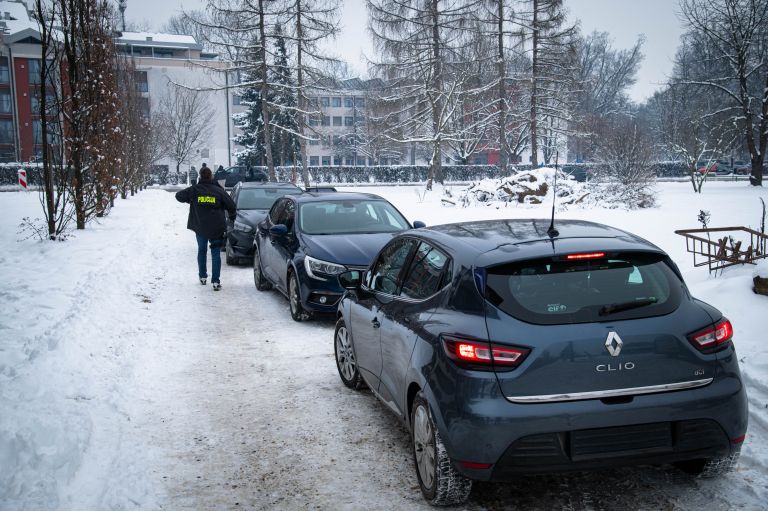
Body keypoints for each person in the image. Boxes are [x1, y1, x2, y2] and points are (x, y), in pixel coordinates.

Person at [175, 165, 236, 291]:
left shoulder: (195, 190)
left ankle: (202, 277)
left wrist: (192, 200)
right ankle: (215, 281)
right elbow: (231, 205)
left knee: (202, 250)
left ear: (200, 176)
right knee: (215, 253)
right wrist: (232, 217)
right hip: (216, 228)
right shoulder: (219, 191)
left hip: (200, 227)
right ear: (211, 176)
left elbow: (179, 196)